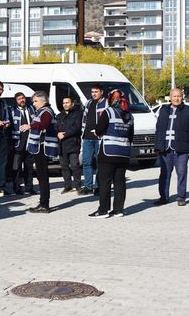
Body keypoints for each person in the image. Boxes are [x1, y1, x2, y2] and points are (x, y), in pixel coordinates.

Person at [88, 89, 134, 219]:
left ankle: (103, 210)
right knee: (120, 182)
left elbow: (99, 129)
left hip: (108, 152)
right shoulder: (130, 115)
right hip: (124, 153)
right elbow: (131, 136)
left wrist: (96, 132)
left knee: (105, 182)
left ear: (110, 99)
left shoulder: (108, 112)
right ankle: (118, 210)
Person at [153, 88, 189, 206]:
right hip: (165, 149)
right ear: (170, 97)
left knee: (182, 173)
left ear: (182, 97)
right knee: (164, 174)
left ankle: (181, 197)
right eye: (174, 96)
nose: (176, 98)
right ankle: (163, 197)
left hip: (182, 149)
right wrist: (157, 147)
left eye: (179, 96)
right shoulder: (163, 110)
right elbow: (159, 129)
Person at [27, 91, 58, 214]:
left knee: (43, 176)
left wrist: (30, 126)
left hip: (43, 148)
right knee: (40, 176)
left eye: (35, 101)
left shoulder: (46, 111)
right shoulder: (40, 111)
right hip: (38, 147)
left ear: (44, 101)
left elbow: (44, 124)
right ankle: (42, 202)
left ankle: (44, 204)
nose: (33, 104)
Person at [79, 84, 107, 196]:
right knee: (86, 162)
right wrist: (82, 132)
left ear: (101, 92)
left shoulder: (106, 103)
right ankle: (88, 186)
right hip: (87, 137)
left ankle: (99, 186)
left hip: (99, 137)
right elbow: (84, 118)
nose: (94, 94)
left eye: (96, 91)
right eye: (92, 92)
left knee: (100, 163)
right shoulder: (88, 103)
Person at [10, 92, 37, 195]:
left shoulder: (31, 108)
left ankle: (29, 187)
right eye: (19, 99)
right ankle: (17, 187)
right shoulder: (12, 110)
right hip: (18, 144)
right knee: (16, 167)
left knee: (29, 167)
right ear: (16, 101)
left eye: (23, 98)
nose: (22, 100)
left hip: (30, 142)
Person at [56, 96, 83, 193]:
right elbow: (56, 127)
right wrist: (57, 133)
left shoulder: (77, 114)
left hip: (73, 144)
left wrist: (65, 134)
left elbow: (77, 128)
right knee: (64, 166)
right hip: (62, 145)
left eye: (67, 102)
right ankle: (67, 186)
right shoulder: (59, 116)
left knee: (75, 166)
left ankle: (78, 186)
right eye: (64, 103)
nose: (65, 104)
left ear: (72, 103)